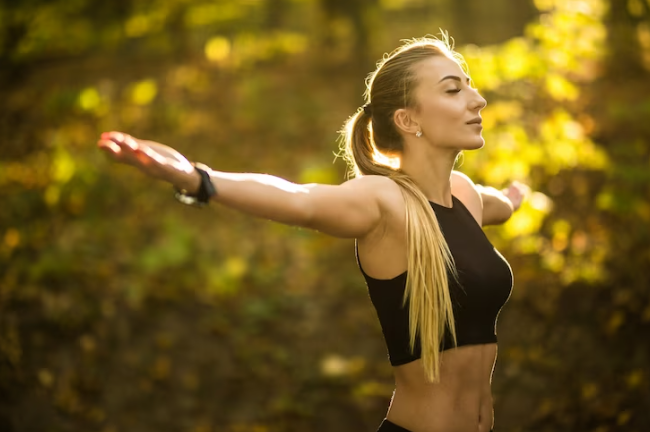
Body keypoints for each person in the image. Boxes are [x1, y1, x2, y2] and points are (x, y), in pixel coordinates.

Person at [98, 35, 527, 432]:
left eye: (470, 86)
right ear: (407, 119)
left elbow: (500, 207)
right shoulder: (384, 201)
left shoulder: (465, 195)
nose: (478, 99)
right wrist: (198, 179)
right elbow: (299, 199)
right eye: (454, 90)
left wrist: (512, 198)